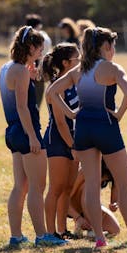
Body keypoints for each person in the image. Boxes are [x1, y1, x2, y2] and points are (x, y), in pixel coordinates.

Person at [46, 27, 127, 249]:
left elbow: (52, 93)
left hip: (83, 129)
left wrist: (71, 113)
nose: (114, 50)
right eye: (113, 46)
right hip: (106, 127)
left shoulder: (78, 70)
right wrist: (118, 114)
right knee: (125, 184)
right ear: (106, 47)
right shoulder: (112, 68)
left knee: (91, 184)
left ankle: (99, 238)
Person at [0, 26, 65, 248]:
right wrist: (33, 137)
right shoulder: (20, 71)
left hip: (13, 133)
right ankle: (42, 235)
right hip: (26, 131)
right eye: (39, 49)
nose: (41, 53)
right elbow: (22, 106)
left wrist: (30, 75)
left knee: (21, 186)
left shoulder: (8, 68)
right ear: (30, 47)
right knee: (38, 187)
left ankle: (16, 236)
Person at [41, 43, 81, 239]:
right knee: (56, 188)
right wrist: (72, 146)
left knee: (67, 187)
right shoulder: (57, 85)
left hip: (74, 140)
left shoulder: (76, 82)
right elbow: (60, 122)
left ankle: (63, 230)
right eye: (77, 59)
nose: (81, 62)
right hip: (58, 139)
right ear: (66, 63)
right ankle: (50, 233)